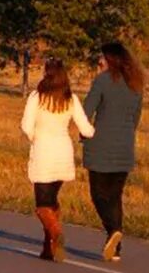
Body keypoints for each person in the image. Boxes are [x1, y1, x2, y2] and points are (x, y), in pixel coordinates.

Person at [22, 58, 95, 262]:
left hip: (44, 152)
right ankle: (49, 248)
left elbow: (26, 126)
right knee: (52, 201)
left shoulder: (37, 97)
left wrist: (34, 137)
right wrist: (96, 133)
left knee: (42, 205)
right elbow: (86, 128)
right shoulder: (70, 99)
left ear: (47, 74)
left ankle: (55, 233)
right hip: (63, 152)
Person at [83, 42, 144, 262]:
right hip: (125, 148)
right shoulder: (136, 84)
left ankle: (113, 230)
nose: (99, 61)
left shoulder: (101, 82)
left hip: (101, 147)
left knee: (98, 195)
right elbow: (136, 117)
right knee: (115, 195)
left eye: (102, 57)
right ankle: (115, 247)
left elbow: (86, 112)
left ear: (110, 60)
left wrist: (84, 133)